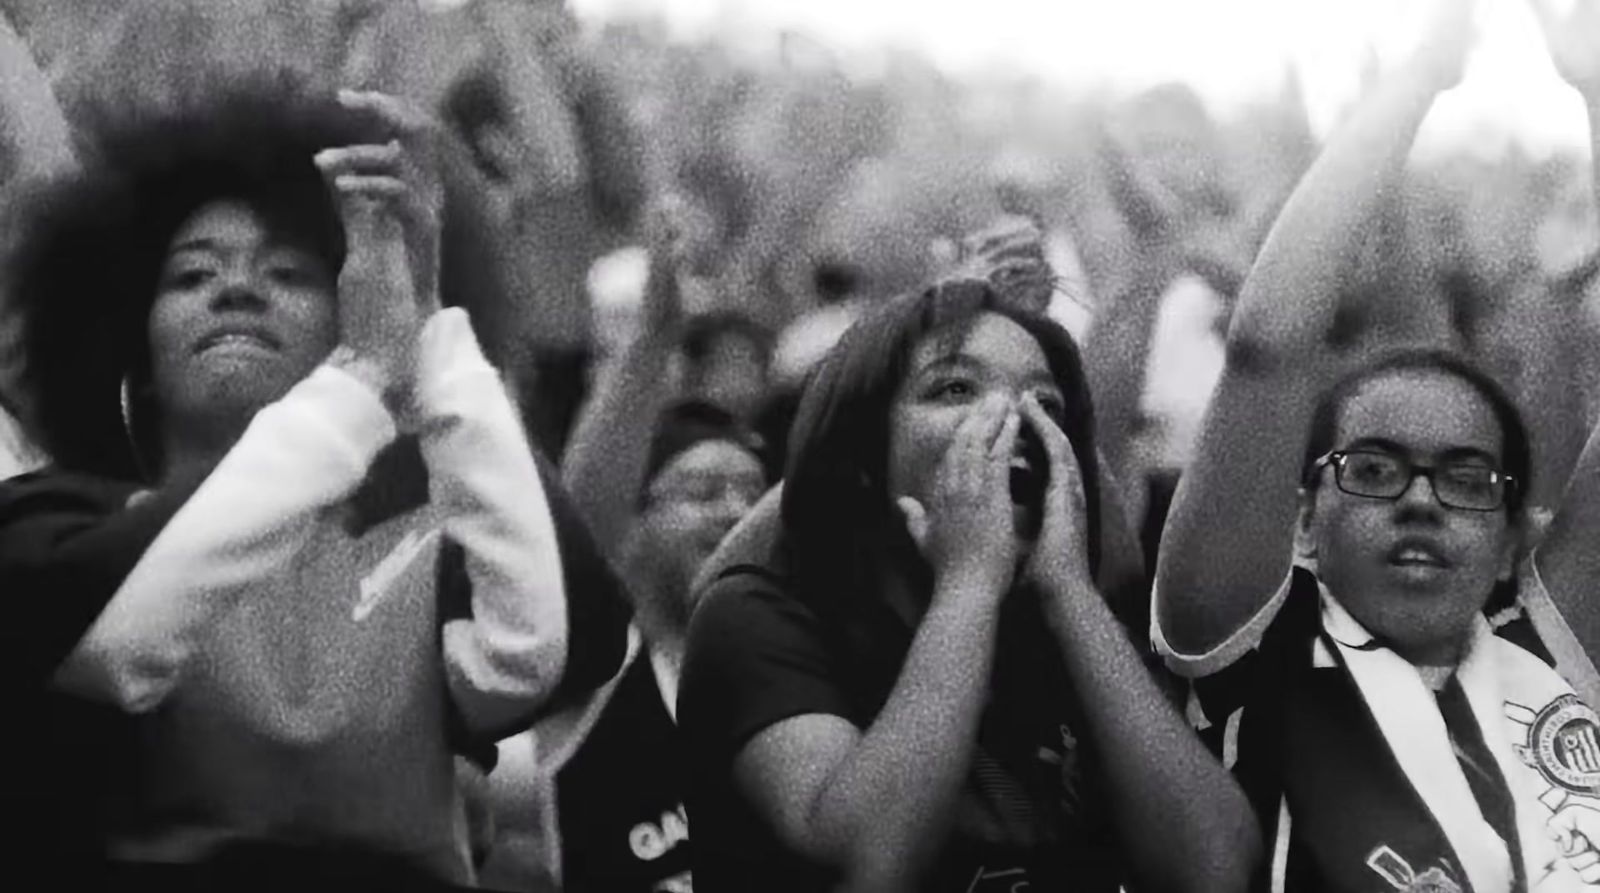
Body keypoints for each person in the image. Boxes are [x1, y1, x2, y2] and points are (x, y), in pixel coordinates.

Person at [0, 78, 630, 888]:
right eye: (192, 276)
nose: (237, 288)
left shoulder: (421, 545)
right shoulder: (48, 522)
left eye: (290, 274)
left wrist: (430, 329)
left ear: (355, 315)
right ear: (135, 356)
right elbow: (126, 637)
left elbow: (539, 648)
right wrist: (360, 377)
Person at [1154, 2, 1600, 890]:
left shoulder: (1550, 650)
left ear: (1518, 531)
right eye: (1373, 469)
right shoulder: (1258, 650)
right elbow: (1266, 352)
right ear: (1305, 520)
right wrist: (1417, 79)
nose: (1422, 498)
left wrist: (1593, 86)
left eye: (1468, 477)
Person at [679, 277, 1259, 892]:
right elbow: (866, 859)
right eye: (956, 388)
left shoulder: (1064, 626)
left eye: (1046, 402)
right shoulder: (755, 615)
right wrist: (968, 583)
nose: (1014, 417)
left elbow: (1216, 867)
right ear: (861, 452)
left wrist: (1070, 595)